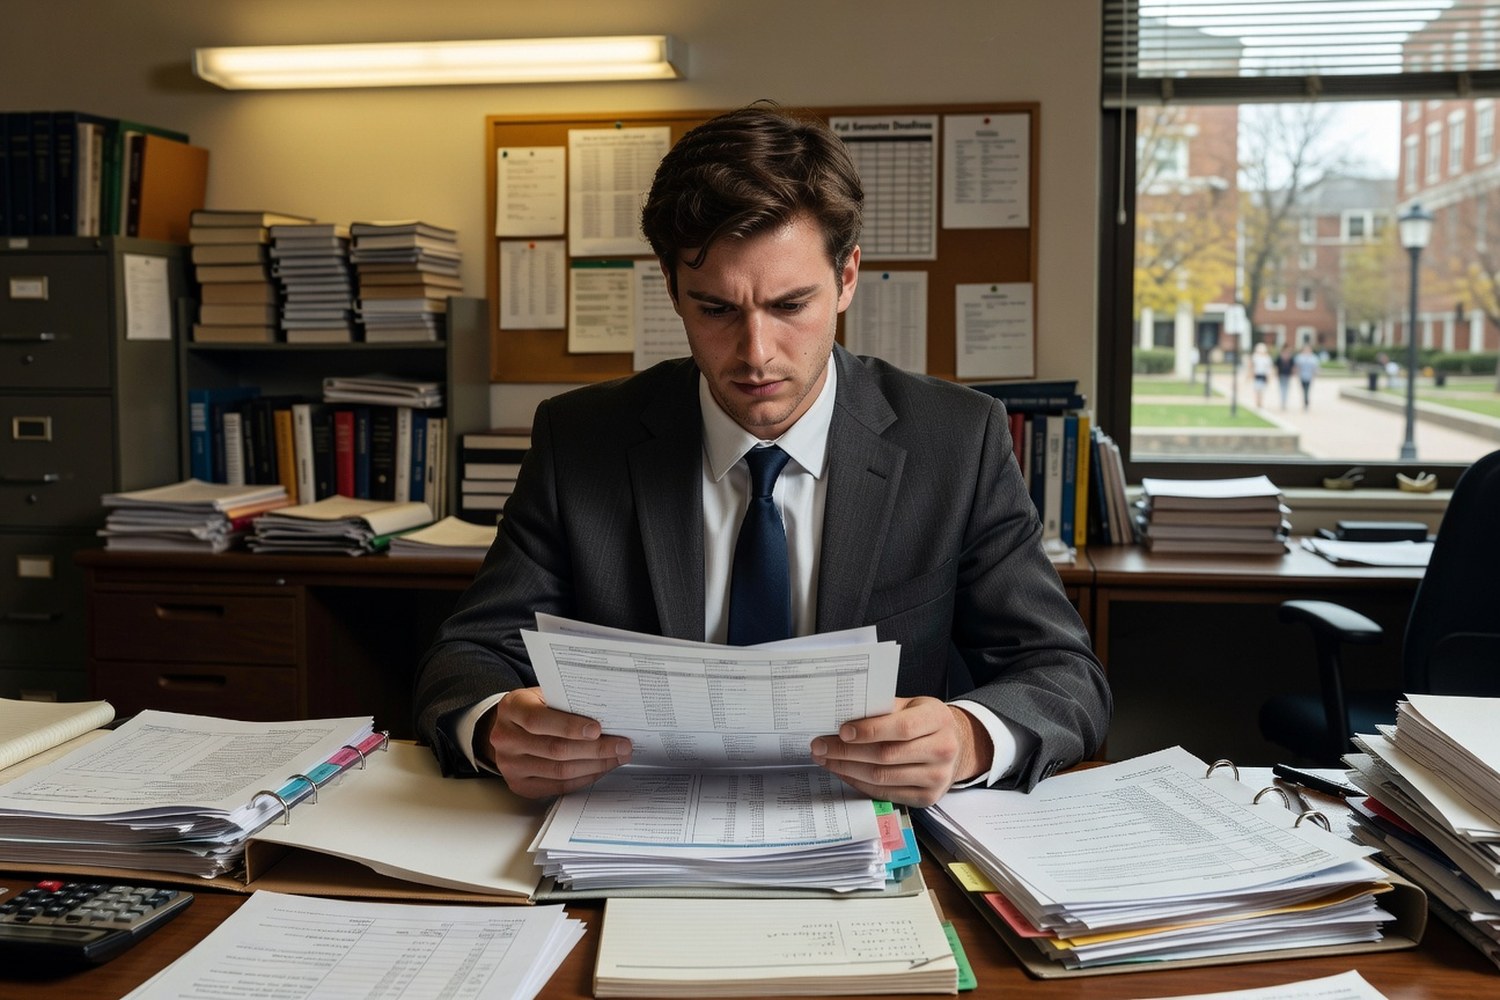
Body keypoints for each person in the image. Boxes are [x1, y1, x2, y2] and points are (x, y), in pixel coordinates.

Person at [413, 104, 1110, 808]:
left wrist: (966, 738)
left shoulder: (956, 440)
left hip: (873, 840)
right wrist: (495, 725)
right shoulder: (582, 438)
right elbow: (468, 655)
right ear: (672, 288)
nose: (755, 354)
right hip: (633, 838)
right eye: (716, 310)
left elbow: (1062, 674)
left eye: (789, 305)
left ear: (846, 279)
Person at [1294, 342, 1320, 410]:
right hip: (1302, 376)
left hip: (1309, 377)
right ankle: (1305, 401)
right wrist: (1297, 375)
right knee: (1303, 390)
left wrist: (1315, 375)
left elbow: (1315, 368)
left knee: (1307, 390)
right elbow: (1297, 367)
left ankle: (1306, 402)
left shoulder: (1313, 358)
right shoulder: (1300, 357)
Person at [1249, 342, 1271, 408]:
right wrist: (1251, 374)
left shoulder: (1267, 358)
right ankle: (1257, 402)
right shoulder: (1255, 357)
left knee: (1262, 390)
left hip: (1263, 375)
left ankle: (1261, 402)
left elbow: (1268, 368)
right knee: (1257, 389)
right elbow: (1252, 366)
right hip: (1257, 375)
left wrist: (1268, 377)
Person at [1274, 345, 1295, 410]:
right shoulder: (1279, 357)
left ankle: (1284, 402)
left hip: (1287, 375)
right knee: (1282, 389)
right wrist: (1276, 373)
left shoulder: (1290, 358)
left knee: (1285, 389)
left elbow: (1293, 367)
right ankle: (1283, 402)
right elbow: (1276, 366)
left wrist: (1293, 373)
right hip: (1281, 375)